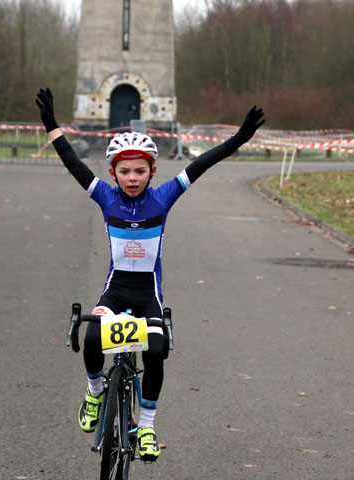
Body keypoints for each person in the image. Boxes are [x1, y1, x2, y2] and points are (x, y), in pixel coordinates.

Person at [35, 87, 264, 462]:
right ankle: (94, 393)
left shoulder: (163, 198)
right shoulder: (105, 197)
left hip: (147, 297)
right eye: (124, 171)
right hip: (116, 292)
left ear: (152, 171)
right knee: (93, 338)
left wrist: (238, 139)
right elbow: (72, 162)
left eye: (140, 170)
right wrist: (51, 125)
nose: (132, 177)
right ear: (113, 173)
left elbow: (201, 164)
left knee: (155, 350)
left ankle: (146, 427)